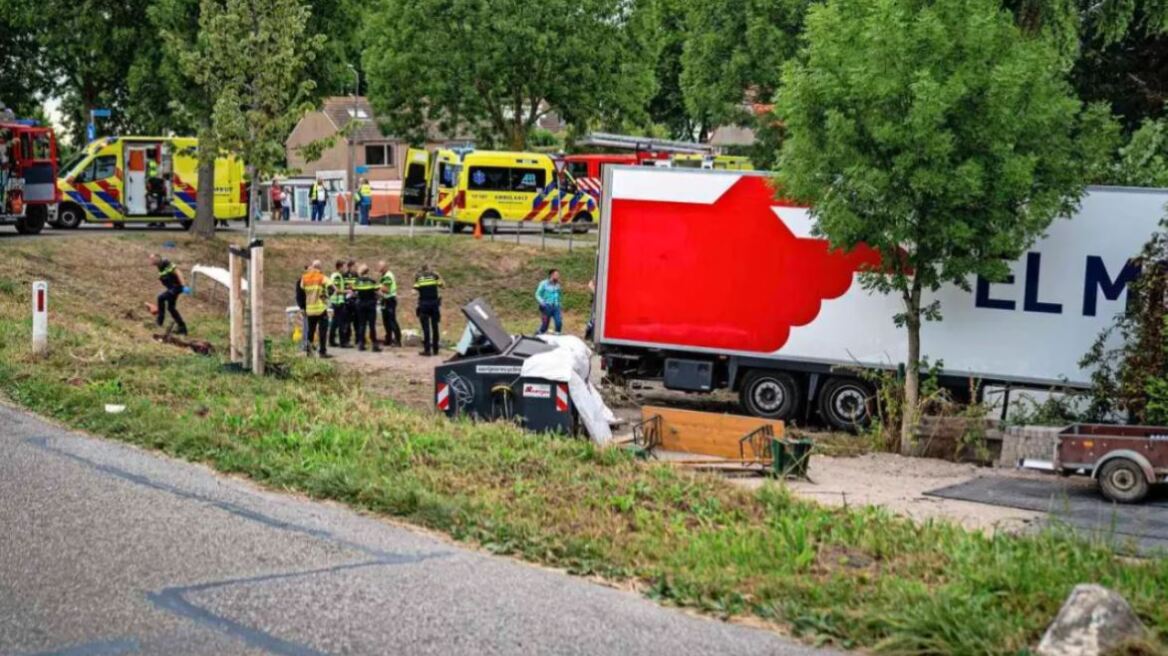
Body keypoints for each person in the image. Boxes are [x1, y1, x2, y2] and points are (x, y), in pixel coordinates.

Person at [298, 261, 331, 358]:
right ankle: (322, 352)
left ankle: (309, 352)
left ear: (313, 266)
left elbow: (301, 289)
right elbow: (332, 287)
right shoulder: (322, 277)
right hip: (320, 308)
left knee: (310, 331)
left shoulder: (304, 278)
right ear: (320, 267)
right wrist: (325, 297)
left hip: (310, 309)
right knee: (323, 330)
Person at [149, 253, 188, 335]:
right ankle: (182, 328)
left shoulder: (166, 263)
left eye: (152, 259)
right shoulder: (159, 267)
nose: (151, 261)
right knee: (171, 308)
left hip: (177, 287)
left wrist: (184, 286)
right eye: (150, 259)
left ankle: (159, 322)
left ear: (158, 258)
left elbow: (178, 272)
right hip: (172, 288)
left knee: (161, 298)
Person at [413, 264, 444, 356]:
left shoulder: (418, 277)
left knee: (425, 328)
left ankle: (427, 350)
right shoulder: (435, 276)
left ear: (422, 270)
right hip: (434, 305)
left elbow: (414, 290)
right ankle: (435, 349)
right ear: (429, 269)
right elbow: (443, 285)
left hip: (424, 305)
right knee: (435, 327)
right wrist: (439, 276)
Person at [353, 264, 382, 352]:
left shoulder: (357, 281)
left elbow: (354, 292)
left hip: (360, 305)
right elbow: (378, 292)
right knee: (372, 325)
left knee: (362, 324)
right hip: (370, 305)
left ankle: (361, 344)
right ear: (367, 271)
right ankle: (374, 345)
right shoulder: (372, 281)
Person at [377, 260, 401, 347]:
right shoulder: (384, 275)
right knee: (386, 321)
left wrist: (377, 287)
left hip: (390, 300)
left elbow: (386, 289)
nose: (378, 268)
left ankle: (397, 340)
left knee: (392, 321)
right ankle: (388, 339)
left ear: (384, 267)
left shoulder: (388, 276)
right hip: (385, 300)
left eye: (380, 267)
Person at [535, 268, 563, 335]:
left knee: (559, 322)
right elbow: (537, 294)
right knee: (545, 326)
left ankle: (557, 336)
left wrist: (560, 306)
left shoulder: (558, 285)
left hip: (556, 307)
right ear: (551, 275)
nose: (558, 276)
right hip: (546, 307)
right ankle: (538, 334)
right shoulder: (544, 283)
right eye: (556, 275)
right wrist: (542, 302)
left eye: (558, 275)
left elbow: (559, 296)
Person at [327, 260, 348, 347]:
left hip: (336, 302)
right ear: (339, 267)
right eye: (344, 266)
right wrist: (347, 291)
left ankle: (332, 341)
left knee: (335, 323)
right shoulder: (337, 277)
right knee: (341, 323)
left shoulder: (336, 276)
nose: (345, 268)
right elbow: (337, 290)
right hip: (337, 302)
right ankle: (342, 342)